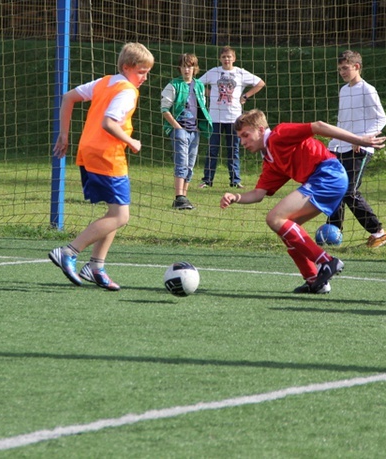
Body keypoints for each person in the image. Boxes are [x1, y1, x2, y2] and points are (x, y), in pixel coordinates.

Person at [220, 109, 386, 294]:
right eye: (240, 138)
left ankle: (327, 261)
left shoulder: (279, 135)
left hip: (328, 175)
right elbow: (259, 194)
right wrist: (236, 197)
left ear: (260, 129)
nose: (242, 142)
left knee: (274, 218)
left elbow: (318, 126)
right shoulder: (270, 159)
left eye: (245, 135)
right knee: (286, 228)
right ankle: (315, 281)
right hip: (324, 179)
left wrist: (360, 140)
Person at [49, 42, 154, 291]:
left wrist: (64, 135)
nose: (145, 78)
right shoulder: (127, 90)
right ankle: (69, 251)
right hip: (107, 155)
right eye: (141, 71)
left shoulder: (105, 82)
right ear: (127, 67)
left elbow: (68, 98)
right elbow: (109, 122)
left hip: (90, 151)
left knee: (114, 213)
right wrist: (132, 142)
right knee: (120, 216)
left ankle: (96, 266)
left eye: (147, 72)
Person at [326, 50, 386, 248]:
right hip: (339, 147)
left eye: (345, 68)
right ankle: (333, 234)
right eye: (339, 69)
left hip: (359, 149)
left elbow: (381, 118)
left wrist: (363, 139)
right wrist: (335, 139)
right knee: (335, 188)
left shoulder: (367, 90)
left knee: (349, 191)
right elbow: (342, 120)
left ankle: (379, 232)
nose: (342, 72)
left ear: (357, 67)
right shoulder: (344, 90)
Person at [199, 46, 265, 189]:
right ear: (220, 59)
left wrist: (246, 96)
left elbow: (260, 83)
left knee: (233, 149)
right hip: (215, 117)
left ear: (234, 58)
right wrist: (209, 93)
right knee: (212, 149)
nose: (226, 59)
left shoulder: (240, 73)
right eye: (224, 57)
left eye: (229, 57)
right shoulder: (213, 72)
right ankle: (207, 180)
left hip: (234, 118)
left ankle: (235, 180)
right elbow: (197, 84)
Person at [161, 53, 213, 210]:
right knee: (181, 163)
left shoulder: (198, 86)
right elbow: (164, 109)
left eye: (190, 66)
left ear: (195, 68)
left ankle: (184, 197)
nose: (187, 69)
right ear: (180, 68)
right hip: (180, 130)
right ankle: (179, 197)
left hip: (194, 130)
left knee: (190, 164)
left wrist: (201, 126)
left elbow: (201, 106)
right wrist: (177, 127)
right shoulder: (173, 85)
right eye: (184, 66)